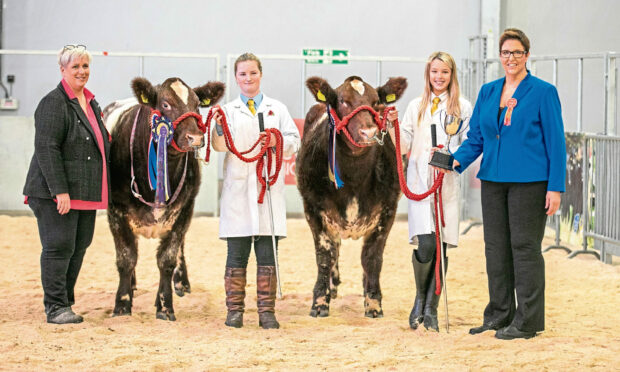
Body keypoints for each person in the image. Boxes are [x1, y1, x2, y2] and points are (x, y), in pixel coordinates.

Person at [447, 28, 566, 340]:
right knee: (495, 249)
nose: (511, 58)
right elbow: (478, 138)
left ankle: (527, 321)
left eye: (517, 52)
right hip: (493, 180)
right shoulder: (488, 91)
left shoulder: (543, 91)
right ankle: (499, 314)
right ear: (499, 57)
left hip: (530, 182)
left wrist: (556, 187)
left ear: (527, 55)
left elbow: (556, 142)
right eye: (505, 53)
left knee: (525, 249)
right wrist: (454, 160)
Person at [211, 53, 300, 329]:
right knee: (236, 254)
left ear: (261, 74)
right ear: (235, 78)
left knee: (267, 254)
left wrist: (276, 140)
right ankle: (234, 311)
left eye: (252, 73)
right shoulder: (227, 111)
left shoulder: (278, 109)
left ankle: (266, 312)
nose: (248, 78)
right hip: (238, 192)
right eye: (242, 74)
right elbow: (219, 146)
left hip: (268, 193)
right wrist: (216, 126)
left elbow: (294, 142)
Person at [23, 44, 110, 324]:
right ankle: (56, 307)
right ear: (63, 70)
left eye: (85, 66)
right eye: (75, 67)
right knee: (59, 245)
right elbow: (47, 148)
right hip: (55, 191)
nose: (82, 72)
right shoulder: (53, 102)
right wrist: (59, 190)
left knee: (80, 243)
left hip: (84, 190)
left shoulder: (91, 102)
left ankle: (65, 302)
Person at [388, 51, 472, 332]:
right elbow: (404, 143)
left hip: (445, 182)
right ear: (428, 74)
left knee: (442, 246)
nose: (439, 77)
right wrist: (392, 126)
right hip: (421, 183)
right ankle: (419, 298)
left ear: (452, 75)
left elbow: (467, 142)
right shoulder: (416, 106)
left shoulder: (462, 106)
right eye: (435, 72)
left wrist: (450, 158)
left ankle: (431, 308)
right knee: (426, 245)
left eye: (444, 72)